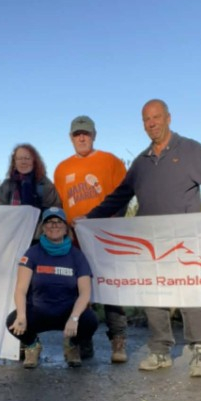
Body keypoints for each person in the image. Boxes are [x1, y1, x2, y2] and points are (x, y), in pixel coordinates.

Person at [86, 99, 201, 378]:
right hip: (151, 244)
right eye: (146, 119)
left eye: (156, 117)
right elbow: (119, 196)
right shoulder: (141, 162)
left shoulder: (190, 150)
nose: (152, 123)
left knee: (191, 293)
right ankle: (160, 349)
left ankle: (200, 349)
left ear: (168, 118)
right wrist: (90, 219)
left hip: (186, 240)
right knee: (153, 294)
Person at [54, 115, 129, 363]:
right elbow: (60, 206)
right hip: (76, 241)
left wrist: (111, 224)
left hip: (107, 237)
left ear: (94, 135)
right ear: (71, 138)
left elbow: (123, 195)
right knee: (79, 293)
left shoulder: (111, 161)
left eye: (86, 133)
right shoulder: (62, 169)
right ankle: (82, 341)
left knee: (111, 290)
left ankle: (118, 340)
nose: (82, 138)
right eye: (77, 134)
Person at [7, 207, 99, 369]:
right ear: (43, 227)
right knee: (12, 321)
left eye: (58, 222)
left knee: (90, 321)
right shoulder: (32, 253)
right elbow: (20, 289)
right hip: (38, 311)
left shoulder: (77, 255)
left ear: (65, 228)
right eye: (49, 222)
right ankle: (32, 345)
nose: (54, 225)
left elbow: (85, 293)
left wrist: (74, 318)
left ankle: (72, 345)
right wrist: (21, 316)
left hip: (67, 313)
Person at [0, 143, 61, 217]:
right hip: (12, 223)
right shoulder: (6, 186)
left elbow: (54, 212)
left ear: (34, 161)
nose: (23, 162)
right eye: (19, 158)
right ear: (14, 163)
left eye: (27, 158)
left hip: (38, 224)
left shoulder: (45, 184)